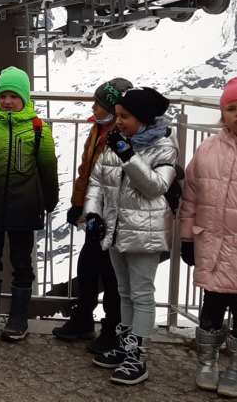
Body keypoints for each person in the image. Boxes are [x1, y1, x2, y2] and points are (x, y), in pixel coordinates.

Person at [84, 86, 176, 386]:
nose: (119, 121)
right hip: (117, 229)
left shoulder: (164, 148)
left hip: (145, 232)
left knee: (141, 293)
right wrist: (93, 213)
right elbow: (97, 181)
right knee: (124, 291)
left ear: (144, 118)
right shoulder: (117, 143)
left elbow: (155, 187)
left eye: (125, 116)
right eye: (119, 115)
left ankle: (138, 355)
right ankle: (126, 347)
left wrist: (129, 157)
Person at [180, 77, 237, 397]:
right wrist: (187, 238)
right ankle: (207, 362)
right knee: (211, 309)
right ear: (222, 113)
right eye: (231, 108)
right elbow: (191, 196)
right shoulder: (208, 148)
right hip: (213, 246)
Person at [0, 66, 58, 342]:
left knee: (22, 263)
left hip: (24, 206)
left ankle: (18, 317)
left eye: (13, 95)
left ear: (24, 98)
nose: (7, 101)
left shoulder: (38, 129)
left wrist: (50, 200)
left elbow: (48, 167)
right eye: (2, 96)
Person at [53, 78, 132, 353]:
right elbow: (86, 171)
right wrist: (78, 204)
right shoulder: (98, 129)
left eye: (100, 104)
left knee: (111, 275)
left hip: (112, 216)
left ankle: (112, 328)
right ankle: (83, 317)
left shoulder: (123, 136)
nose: (94, 107)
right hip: (94, 212)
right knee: (87, 266)